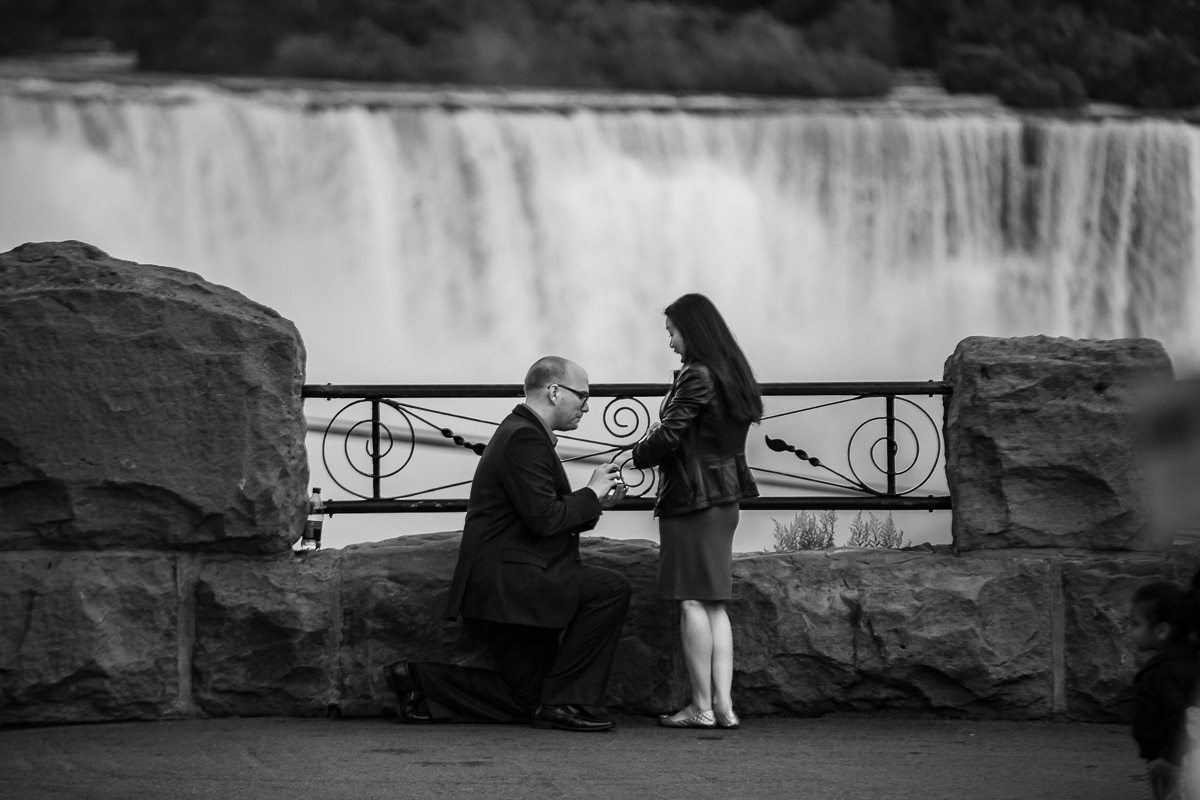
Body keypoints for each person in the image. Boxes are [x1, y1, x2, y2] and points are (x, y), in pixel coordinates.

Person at [381, 356, 631, 733]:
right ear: (554, 391)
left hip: (511, 579)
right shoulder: (524, 437)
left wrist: (596, 502)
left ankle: (419, 681)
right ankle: (562, 702)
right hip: (511, 584)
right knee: (610, 589)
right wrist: (591, 493)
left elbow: (540, 511)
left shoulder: (521, 431)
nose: (587, 406)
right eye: (582, 395)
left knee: (527, 698)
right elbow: (545, 519)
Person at [630, 293, 761, 729]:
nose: (670, 342)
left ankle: (700, 707)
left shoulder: (697, 375)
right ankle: (723, 706)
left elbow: (671, 434)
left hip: (692, 499)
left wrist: (637, 454)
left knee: (690, 601)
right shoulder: (733, 372)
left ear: (692, 330)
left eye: (672, 332)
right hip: (724, 499)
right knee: (715, 604)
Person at [1129, 580, 1198, 799]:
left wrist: (1170, 759)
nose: (1131, 631)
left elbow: (1182, 718)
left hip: (1175, 763)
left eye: (1136, 624)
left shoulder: (1169, 671)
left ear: (1161, 630)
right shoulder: (1180, 663)